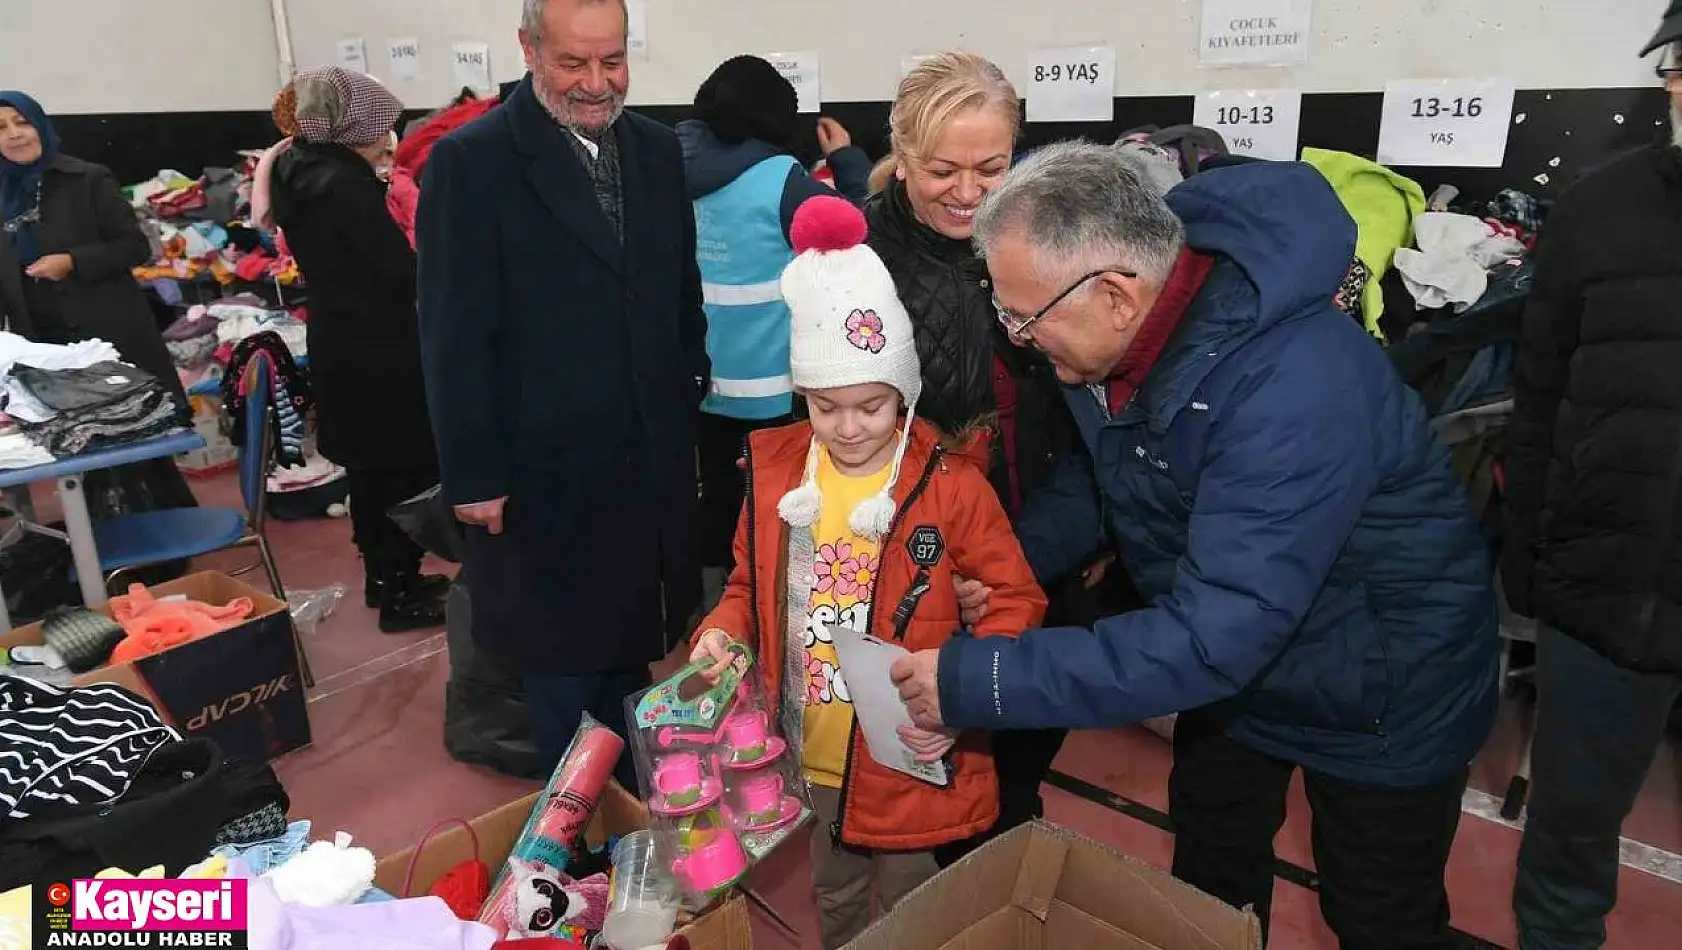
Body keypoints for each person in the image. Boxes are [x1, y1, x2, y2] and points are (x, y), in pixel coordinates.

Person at [890, 142, 1500, 949]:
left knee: (1378, 913)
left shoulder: (1294, 384)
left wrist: (977, 680)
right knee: (1211, 880)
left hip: (1384, 683)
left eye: (1023, 318)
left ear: (1114, 293)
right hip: (1246, 672)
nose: (1018, 338)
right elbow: (1097, 483)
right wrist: (999, 572)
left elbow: (1217, 633)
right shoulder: (1117, 344)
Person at [688, 195, 1045, 950]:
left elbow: (1015, 597)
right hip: (810, 748)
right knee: (835, 894)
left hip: (909, 750)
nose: (849, 428)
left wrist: (962, 691)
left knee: (915, 907)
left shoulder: (950, 484)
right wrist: (721, 632)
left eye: (872, 407)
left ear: (904, 395)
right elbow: (748, 589)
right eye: (826, 406)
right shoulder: (776, 472)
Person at [417, 0, 708, 790]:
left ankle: (631, 824)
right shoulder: (471, 163)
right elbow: (452, 334)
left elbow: (681, 291)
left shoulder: (653, 150)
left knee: (630, 652)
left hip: (643, 456)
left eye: (611, 61)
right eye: (573, 64)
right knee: (561, 671)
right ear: (528, 50)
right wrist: (473, 475)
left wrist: (688, 387)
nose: (596, 82)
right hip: (540, 470)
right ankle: (572, 852)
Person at [863, 51, 1118, 861]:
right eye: (941, 169)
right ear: (900, 156)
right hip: (914, 570)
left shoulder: (1056, 244)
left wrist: (1042, 551)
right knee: (933, 780)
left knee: (1021, 757)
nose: (969, 193)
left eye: (991, 167)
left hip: (1042, 550)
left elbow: (1096, 425)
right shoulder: (857, 268)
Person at [1499, 15, 1682, 949]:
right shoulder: (1598, 209)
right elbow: (1539, 398)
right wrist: (1528, 563)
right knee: (1570, 848)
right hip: (1604, 592)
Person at [678, 54, 872, 605]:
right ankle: (770, 611)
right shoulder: (780, 183)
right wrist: (849, 161)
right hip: (774, 394)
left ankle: (714, 614)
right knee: (778, 505)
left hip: (699, 386)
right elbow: (854, 229)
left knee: (716, 499)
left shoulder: (665, 167)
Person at [267, 67, 447, 632]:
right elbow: (393, 270)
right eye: (381, 122)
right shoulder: (341, 186)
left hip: (344, 341)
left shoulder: (297, 166)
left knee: (372, 475)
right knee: (397, 471)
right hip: (378, 351)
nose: (388, 133)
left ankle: (387, 581)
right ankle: (400, 591)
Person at [0, 91, 198, 520]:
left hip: (109, 336)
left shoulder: (85, 179)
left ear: (40, 124)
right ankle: (107, 544)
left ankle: (168, 540)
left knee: (139, 442)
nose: (15, 135)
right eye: (1, 128)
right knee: (79, 450)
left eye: (22, 122)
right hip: (44, 346)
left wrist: (72, 262)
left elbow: (135, 246)